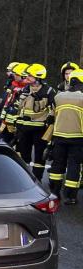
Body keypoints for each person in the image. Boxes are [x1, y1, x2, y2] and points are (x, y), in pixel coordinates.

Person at [47, 69, 83, 204]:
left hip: (58, 136)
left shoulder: (59, 96)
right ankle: (71, 196)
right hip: (78, 137)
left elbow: (51, 116)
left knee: (57, 165)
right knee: (74, 166)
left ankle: (54, 192)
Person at [15, 63, 56, 180]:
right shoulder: (25, 89)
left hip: (40, 129)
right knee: (24, 156)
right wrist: (17, 122)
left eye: (30, 75)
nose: (27, 77)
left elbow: (54, 109)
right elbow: (19, 108)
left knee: (39, 158)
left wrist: (50, 120)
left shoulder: (48, 91)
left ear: (38, 77)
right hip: (24, 129)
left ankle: (37, 181)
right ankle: (24, 180)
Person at [0, 62, 30, 145]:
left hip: (18, 125)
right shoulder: (13, 86)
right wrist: (3, 117)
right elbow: (7, 103)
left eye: (16, 74)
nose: (14, 76)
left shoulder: (27, 90)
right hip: (7, 122)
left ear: (23, 76)